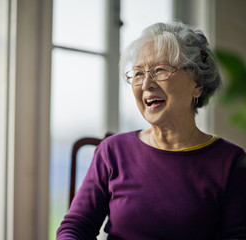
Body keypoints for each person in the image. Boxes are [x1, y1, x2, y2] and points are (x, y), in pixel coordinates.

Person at [57, 22, 246, 239]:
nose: (146, 83)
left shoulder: (231, 162)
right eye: (138, 73)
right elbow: (75, 227)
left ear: (197, 84)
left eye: (160, 70)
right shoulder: (112, 151)